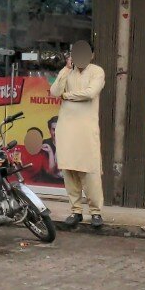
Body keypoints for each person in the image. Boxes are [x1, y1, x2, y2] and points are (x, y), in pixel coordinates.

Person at [49, 40, 106, 228]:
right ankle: (76, 211)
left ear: (92, 55)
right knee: (70, 171)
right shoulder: (67, 73)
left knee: (90, 171)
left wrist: (68, 96)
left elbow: (90, 93)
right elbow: (54, 91)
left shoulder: (96, 71)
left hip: (86, 130)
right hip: (66, 128)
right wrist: (65, 70)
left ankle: (96, 212)